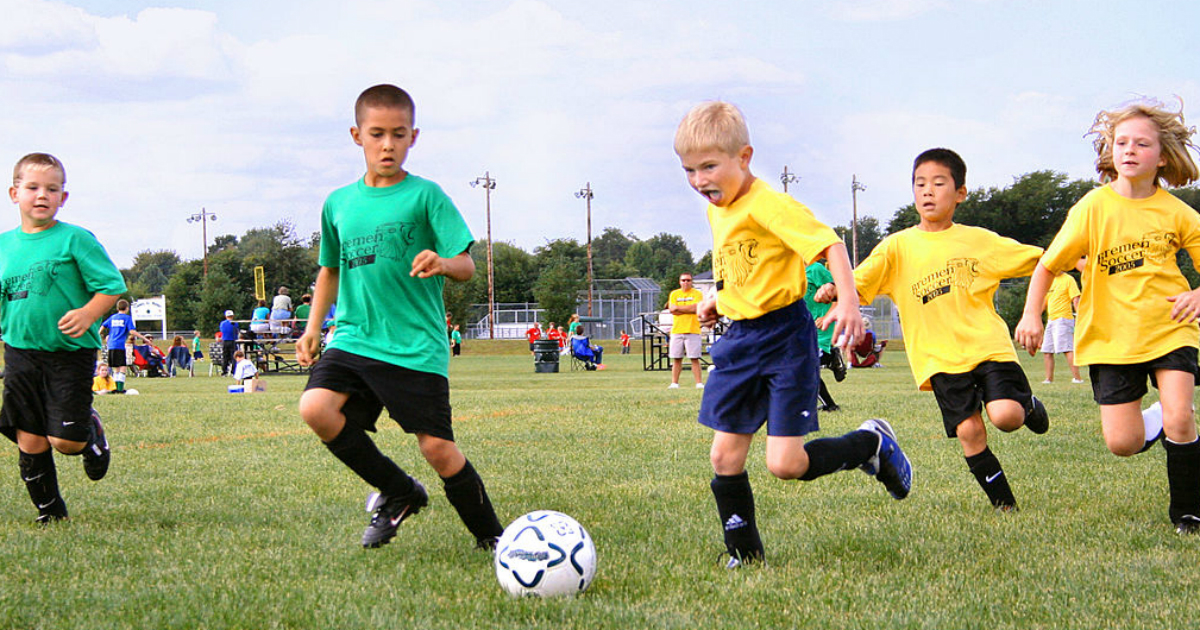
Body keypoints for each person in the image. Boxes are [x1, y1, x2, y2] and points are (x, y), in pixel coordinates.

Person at [674, 101, 912, 568]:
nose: (700, 180)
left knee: (785, 464)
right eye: (689, 169)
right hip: (740, 341)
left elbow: (830, 244)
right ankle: (745, 555)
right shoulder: (716, 210)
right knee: (724, 456)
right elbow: (743, 269)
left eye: (709, 166)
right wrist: (715, 301)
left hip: (784, 339)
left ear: (744, 157)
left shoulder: (769, 204)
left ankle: (871, 444)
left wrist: (848, 301)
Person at [295, 84, 503, 551]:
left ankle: (491, 537)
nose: (387, 144)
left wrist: (443, 263)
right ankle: (399, 491)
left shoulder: (426, 196)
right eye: (377, 134)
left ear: (414, 137)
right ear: (357, 136)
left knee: (436, 448)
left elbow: (467, 267)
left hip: (414, 344)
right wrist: (313, 328)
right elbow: (330, 270)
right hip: (354, 336)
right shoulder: (338, 203)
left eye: (398, 134)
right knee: (315, 408)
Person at [818, 148, 1048, 512]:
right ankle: (1005, 506)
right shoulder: (897, 247)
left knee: (1006, 416)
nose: (927, 191)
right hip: (938, 357)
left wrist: (1080, 256)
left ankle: (1028, 405)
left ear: (960, 193)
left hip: (988, 346)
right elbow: (859, 281)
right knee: (969, 431)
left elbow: (1041, 259)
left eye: (939, 183)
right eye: (920, 184)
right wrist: (834, 289)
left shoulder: (979, 240)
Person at [1015, 99, 1200, 534]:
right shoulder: (1092, 208)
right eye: (1121, 142)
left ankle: (1189, 512)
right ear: (1110, 151)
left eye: (1142, 143)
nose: (1129, 149)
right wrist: (1030, 315)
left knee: (1181, 416)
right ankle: (1157, 419)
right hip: (1110, 339)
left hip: (1170, 328)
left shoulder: (1177, 212)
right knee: (1123, 442)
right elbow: (1048, 264)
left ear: (1163, 156)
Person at [0, 152, 125, 523]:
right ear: (14, 193)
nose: (42, 195)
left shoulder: (75, 239)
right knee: (31, 437)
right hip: (20, 352)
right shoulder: (4, 245)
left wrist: (88, 313)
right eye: (33, 187)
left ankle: (90, 429)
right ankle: (51, 512)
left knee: (65, 443)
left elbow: (111, 287)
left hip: (70, 353)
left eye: (52, 189)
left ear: (63, 198)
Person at [804, 261, 843, 411]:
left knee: (805, 368)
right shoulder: (793, 275)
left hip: (821, 330)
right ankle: (831, 357)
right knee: (804, 368)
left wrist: (828, 315)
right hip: (806, 331)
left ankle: (830, 356)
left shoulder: (815, 269)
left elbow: (839, 293)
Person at [1039, 272, 1084, 384]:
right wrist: (1034, 316)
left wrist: (1080, 317)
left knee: (1067, 349)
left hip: (1063, 319)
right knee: (1047, 350)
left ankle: (1077, 378)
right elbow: (1045, 302)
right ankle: (1048, 379)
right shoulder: (1049, 280)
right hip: (1051, 320)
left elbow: (1076, 299)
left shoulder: (1068, 279)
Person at [99, 298, 150, 393]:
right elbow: (132, 331)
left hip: (111, 345)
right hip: (119, 346)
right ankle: (119, 388)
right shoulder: (127, 318)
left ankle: (114, 388)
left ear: (117, 308)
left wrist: (98, 334)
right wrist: (144, 338)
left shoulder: (113, 317)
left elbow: (103, 325)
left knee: (116, 368)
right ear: (127, 308)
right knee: (122, 366)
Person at [667, 272, 705, 389]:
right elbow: (672, 309)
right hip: (677, 330)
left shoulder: (697, 294)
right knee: (676, 358)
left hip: (693, 330)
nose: (686, 282)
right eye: (683, 280)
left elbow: (697, 308)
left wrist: (679, 308)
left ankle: (698, 383)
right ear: (679, 282)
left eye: (688, 280)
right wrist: (687, 309)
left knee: (694, 358)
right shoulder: (674, 294)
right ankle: (674, 383)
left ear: (691, 281)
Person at [219, 309, 240, 376]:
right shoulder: (235, 323)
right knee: (233, 357)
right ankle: (233, 371)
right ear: (233, 316)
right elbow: (237, 331)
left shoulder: (222, 323)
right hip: (233, 340)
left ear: (226, 316)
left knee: (225, 356)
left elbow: (222, 331)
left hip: (225, 341)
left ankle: (224, 371)